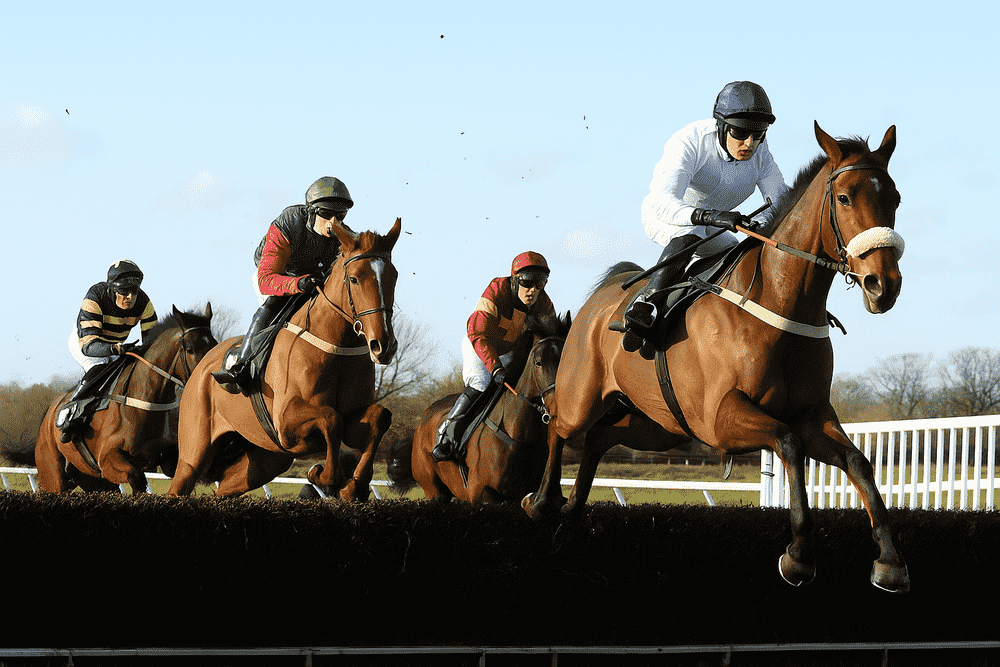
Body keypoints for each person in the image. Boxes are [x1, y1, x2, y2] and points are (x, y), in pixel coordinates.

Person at [621, 81, 790, 352]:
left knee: (739, 256)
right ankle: (646, 304)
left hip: (714, 228)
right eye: (741, 132)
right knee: (692, 233)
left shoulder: (761, 151)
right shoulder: (689, 140)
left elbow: (780, 201)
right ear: (722, 125)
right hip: (667, 217)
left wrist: (760, 224)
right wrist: (709, 216)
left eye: (759, 134)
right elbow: (663, 200)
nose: (750, 143)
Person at [212, 176, 355, 394]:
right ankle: (241, 365)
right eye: (326, 214)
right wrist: (298, 283)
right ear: (312, 210)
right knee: (273, 305)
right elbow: (266, 279)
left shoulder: (344, 236)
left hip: (313, 280)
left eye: (340, 215)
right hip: (277, 276)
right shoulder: (289, 223)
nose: (333, 222)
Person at [431, 251, 557, 463]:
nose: (533, 290)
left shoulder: (544, 303)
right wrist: (495, 367)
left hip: (511, 353)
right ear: (515, 280)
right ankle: (446, 436)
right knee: (481, 383)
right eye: (527, 282)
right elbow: (477, 332)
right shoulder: (497, 290)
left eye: (540, 284)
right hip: (480, 345)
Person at [61, 259, 158, 440]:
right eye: (124, 291)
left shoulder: (144, 302)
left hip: (116, 345)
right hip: (86, 342)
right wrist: (116, 349)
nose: (130, 296)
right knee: (99, 369)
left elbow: (153, 343)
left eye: (134, 291)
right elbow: (89, 346)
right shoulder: (95, 296)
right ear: (113, 289)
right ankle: (70, 415)